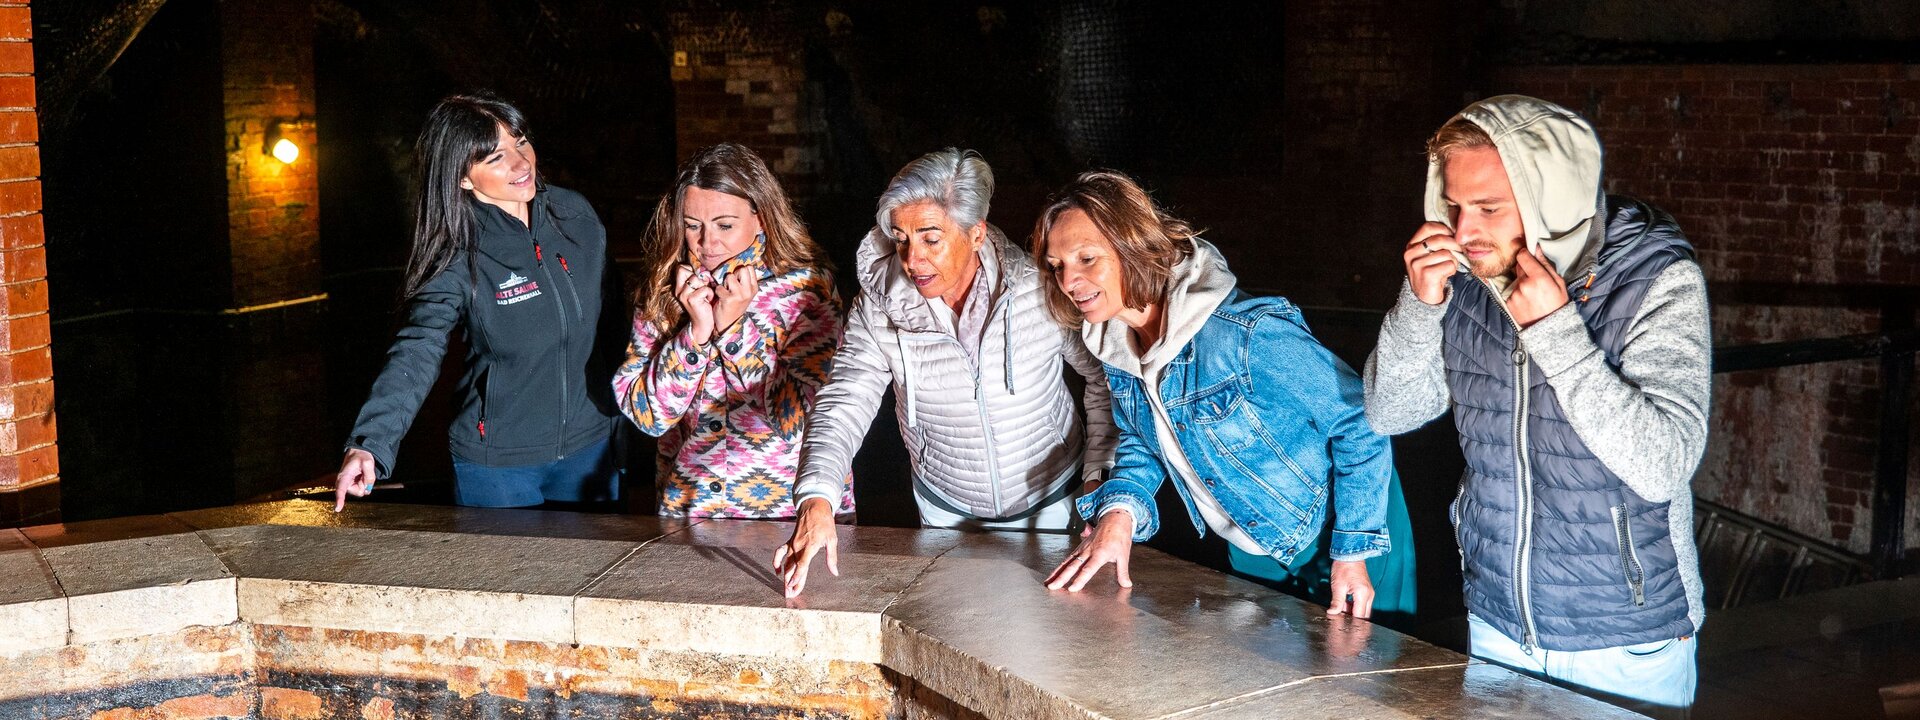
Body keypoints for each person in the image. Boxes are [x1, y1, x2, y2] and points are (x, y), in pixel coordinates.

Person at [1364, 95, 1709, 715]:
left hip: (1622, 638)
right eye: (1453, 206)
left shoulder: (1655, 276)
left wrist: (1555, 331)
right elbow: (1391, 412)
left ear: (1551, 197)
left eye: (1488, 208)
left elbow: (1664, 462)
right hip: (1499, 622)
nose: (1464, 233)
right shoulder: (1463, 280)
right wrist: (1418, 308)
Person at [1036, 170, 1414, 623]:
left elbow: (1361, 419)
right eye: (1058, 265)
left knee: (1368, 684)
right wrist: (1121, 512)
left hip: (1348, 529)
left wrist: (1353, 549)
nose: (1069, 280)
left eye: (1086, 258)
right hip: (1249, 539)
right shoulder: (1117, 347)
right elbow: (1144, 439)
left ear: (1132, 245)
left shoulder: (1245, 335)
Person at [774, 148, 1117, 597]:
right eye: (901, 239)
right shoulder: (880, 307)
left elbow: (1104, 380)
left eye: (930, 238)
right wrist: (817, 497)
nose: (912, 260)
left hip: (1054, 503)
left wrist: (1099, 477)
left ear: (975, 234)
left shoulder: (1038, 287)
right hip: (946, 511)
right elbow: (845, 399)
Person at [336, 91, 622, 511]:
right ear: (462, 178)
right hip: (498, 467)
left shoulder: (574, 214)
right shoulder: (456, 253)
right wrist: (370, 443)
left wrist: (627, 412)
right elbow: (419, 347)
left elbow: (615, 319)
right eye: (494, 158)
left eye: (520, 141)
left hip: (591, 446)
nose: (521, 163)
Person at [613, 143, 849, 518]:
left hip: (791, 515)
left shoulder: (806, 289)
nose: (708, 242)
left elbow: (803, 423)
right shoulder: (666, 287)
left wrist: (734, 331)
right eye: (693, 226)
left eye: (725, 225)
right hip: (690, 510)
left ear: (761, 218)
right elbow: (648, 416)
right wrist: (695, 336)